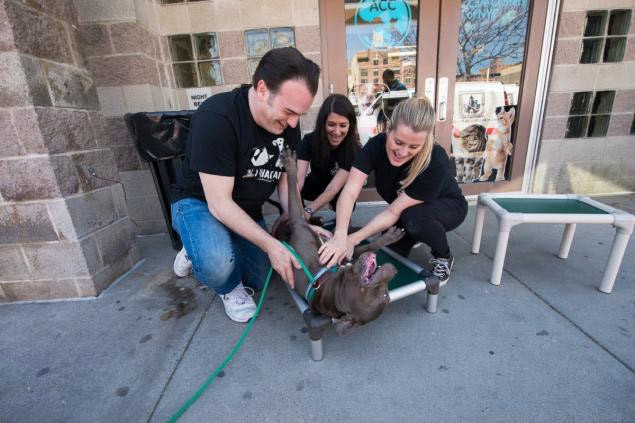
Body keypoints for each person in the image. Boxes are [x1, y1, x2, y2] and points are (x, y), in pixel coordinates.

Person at [170, 47, 320, 323]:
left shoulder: (289, 124)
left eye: (300, 114)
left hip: (246, 209)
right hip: (200, 203)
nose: (293, 123)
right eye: (288, 111)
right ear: (262, 89)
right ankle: (211, 264)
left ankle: (206, 245)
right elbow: (220, 203)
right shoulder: (217, 118)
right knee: (218, 262)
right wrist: (272, 245)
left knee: (262, 276)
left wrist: (302, 224)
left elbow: (287, 185)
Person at [318, 97, 468, 285]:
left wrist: (353, 239)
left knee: (415, 219)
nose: (403, 152)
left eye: (414, 146)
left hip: (449, 206)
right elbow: (349, 192)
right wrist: (340, 235)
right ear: (388, 128)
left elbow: (393, 211)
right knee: (388, 253)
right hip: (406, 210)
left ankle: (444, 256)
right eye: (398, 142)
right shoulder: (375, 146)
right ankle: (413, 235)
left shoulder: (435, 160)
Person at [296, 94, 360, 219]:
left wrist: (309, 210)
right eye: (331, 124)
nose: (336, 132)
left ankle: (341, 225)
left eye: (343, 125)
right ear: (322, 123)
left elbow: (333, 188)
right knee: (292, 191)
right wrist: (298, 212)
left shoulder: (354, 149)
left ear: (350, 125)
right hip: (315, 183)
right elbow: (298, 181)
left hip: (337, 189)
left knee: (345, 198)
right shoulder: (309, 141)